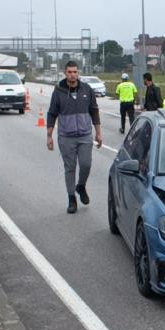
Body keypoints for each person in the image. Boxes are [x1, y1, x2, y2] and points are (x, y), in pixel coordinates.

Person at [47, 60, 102, 214]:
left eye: (75, 72)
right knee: (70, 168)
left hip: (85, 135)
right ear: (65, 73)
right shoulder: (58, 91)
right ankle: (72, 199)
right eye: (69, 72)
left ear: (78, 73)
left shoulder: (87, 89)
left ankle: (81, 186)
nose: (72, 75)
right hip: (66, 136)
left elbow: (94, 111)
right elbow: (52, 113)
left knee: (86, 164)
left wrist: (98, 132)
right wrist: (49, 136)